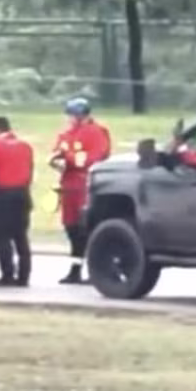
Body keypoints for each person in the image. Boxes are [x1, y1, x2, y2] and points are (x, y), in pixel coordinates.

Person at [51, 96, 113, 285]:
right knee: (71, 229)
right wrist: (57, 161)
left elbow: (93, 159)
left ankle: (98, 269)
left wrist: (68, 158)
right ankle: (75, 269)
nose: (68, 119)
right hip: (69, 186)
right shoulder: (68, 134)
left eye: (71, 115)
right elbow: (58, 152)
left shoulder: (96, 132)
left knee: (86, 228)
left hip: (86, 186)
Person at [0, 115, 34, 287]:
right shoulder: (25, 146)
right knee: (21, 236)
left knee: (2, 237)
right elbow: (30, 170)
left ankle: (8, 274)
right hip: (22, 194)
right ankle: (24, 276)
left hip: (4, 195)